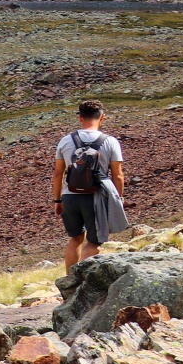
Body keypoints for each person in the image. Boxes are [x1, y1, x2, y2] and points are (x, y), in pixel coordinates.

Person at [53, 99, 126, 275]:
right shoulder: (110, 141)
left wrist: (57, 199)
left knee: (76, 238)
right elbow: (117, 175)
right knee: (95, 242)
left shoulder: (65, 141)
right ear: (102, 117)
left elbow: (58, 174)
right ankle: (79, 281)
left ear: (80, 118)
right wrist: (119, 198)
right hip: (95, 196)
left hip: (69, 195)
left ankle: (69, 281)